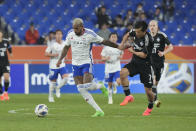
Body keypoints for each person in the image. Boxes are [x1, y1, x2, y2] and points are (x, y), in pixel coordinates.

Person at [56, 18, 123, 117]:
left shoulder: (90, 34)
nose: (75, 31)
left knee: (87, 85)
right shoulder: (70, 34)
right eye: (74, 28)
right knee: (80, 88)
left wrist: (118, 47)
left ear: (82, 27)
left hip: (86, 63)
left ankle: (100, 86)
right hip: (75, 64)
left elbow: (104, 41)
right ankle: (99, 111)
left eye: (77, 29)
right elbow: (66, 47)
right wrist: (60, 60)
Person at [119, 21, 154, 116]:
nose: (136, 33)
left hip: (145, 65)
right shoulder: (135, 31)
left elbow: (143, 55)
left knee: (149, 92)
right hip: (135, 62)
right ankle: (128, 96)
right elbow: (127, 34)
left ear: (145, 31)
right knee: (122, 73)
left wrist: (132, 51)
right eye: (136, 31)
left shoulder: (149, 39)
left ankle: (150, 106)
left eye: (139, 32)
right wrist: (122, 44)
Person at [149, 20, 173, 107]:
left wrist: (163, 53)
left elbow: (171, 47)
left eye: (154, 25)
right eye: (151, 25)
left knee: (156, 83)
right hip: (150, 62)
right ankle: (155, 101)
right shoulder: (146, 37)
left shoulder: (162, 35)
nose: (152, 27)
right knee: (154, 79)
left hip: (160, 62)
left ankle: (154, 98)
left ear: (157, 27)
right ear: (149, 27)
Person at [45, 29, 69, 102]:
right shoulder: (52, 44)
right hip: (53, 65)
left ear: (62, 35)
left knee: (66, 78)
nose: (58, 35)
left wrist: (66, 57)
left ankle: (58, 88)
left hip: (62, 64)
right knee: (53, 82)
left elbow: (65, 52)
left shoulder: (65, 43)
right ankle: (51, 97)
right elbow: (46, 53)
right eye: (57, 34)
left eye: (60, 34)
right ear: (55, 35)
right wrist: (54, 54)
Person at [101, 32, 123, 104]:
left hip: (116, 66)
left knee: (119, 82)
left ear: (117, 38)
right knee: (109, 84)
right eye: (112, 37)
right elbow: (102, 58)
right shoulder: (106, 48)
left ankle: (115, 85)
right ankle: (110, 99)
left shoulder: (119, 46)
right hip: (108, 68)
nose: (114, 38)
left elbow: (121, 55)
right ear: (110, 38)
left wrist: (120, 57)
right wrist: (106, 58)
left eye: (115, 37)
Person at [0, 30, 12, 101]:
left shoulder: (6, 41)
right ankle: (1, 94)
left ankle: (6, 92)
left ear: (2, 34)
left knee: (6, 78)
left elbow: (9, 48)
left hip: (5, 63)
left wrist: (10, 52)